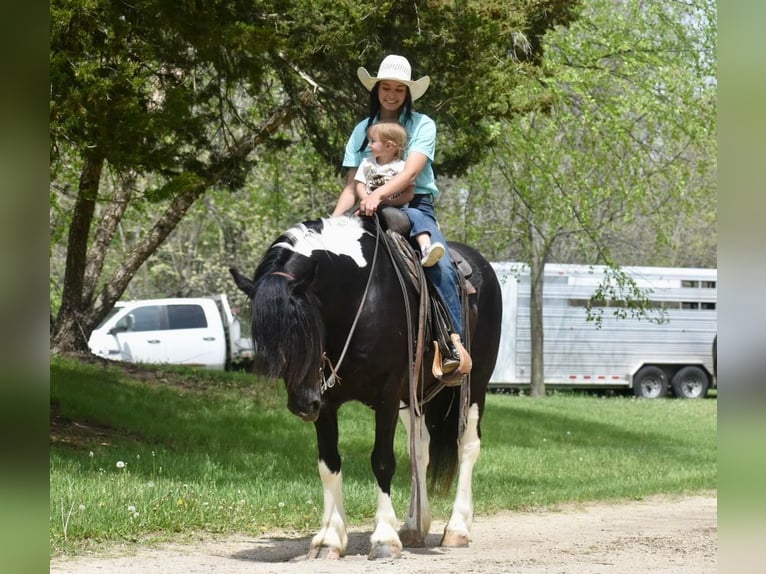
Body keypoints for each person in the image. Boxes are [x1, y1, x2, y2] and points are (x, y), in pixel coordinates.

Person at [331, 54, 470, 376]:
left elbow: (410, 174)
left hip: (412, 204)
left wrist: (378, 196)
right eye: (385, 88)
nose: (391, 95)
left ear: (407, 93)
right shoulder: (362, 130)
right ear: (376, 89)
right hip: (368, 202)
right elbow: (353, 184)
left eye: (399, 89)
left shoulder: (423, 125)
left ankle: (452, 342)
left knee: (443, 266)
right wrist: (332, 222)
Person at [354, 122, 445, 266]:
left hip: (398, 209)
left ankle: (426, 248)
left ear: (389, 146)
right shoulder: (367, 163)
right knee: (348, 220)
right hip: (369, 208)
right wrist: (367, 199)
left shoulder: (402, 167)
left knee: (416, 214)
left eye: (372, 141)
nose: (369, 145)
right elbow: (359, 184)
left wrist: (388, 202)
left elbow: (409, 193)